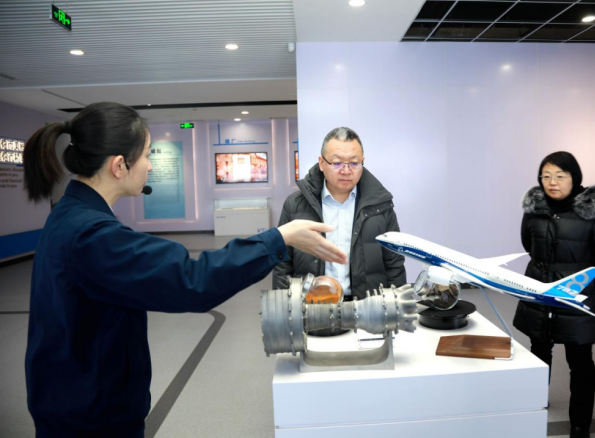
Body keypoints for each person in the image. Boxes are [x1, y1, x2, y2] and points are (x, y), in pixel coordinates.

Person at [22, 102, 347, 437]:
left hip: (72, 402)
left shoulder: (68, 216)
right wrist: (279, 238)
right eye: (146, 155)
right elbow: (191, 279)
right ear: (119, 166)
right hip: (91, 419)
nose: (150, 165)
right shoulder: (92, 236)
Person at [513, 151, 595, 438]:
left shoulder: (594, 212)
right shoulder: (534, 208)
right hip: (540, 291)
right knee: (538, 353)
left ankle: (580, 425)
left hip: (577, 294)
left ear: (575, 178)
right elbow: (528, 244)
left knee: (580, 359)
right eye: (546, 176)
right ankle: (536, 404)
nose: (552, 182)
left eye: (560, 176)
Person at [273, 127, 406, 300]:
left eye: (354, 163)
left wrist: (397, 306)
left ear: (362, 162)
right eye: (337, 163)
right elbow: (282, 264)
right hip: (311, 305)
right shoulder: (295, 205)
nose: (346, 171)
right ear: (321, 163)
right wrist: (285, 307)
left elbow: (394, 264)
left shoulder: (380, 206)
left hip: (368, 306)